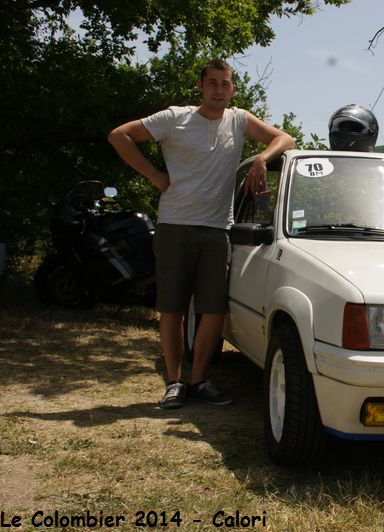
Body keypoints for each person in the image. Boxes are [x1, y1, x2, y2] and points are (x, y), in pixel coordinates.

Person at [108, 58, 295, 409]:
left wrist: (260, 159)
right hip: (175, 225)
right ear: (200, 86)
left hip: (217, 229)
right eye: (212, 83)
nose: (218, 90)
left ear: (232, 89)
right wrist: (154, 176)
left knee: (213, 311)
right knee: (172, 309)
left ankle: (198, 381)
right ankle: (175, 382)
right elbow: (119, 136)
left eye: (225, 84)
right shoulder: (174, 118)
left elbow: (285, 138)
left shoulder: (239, 120)